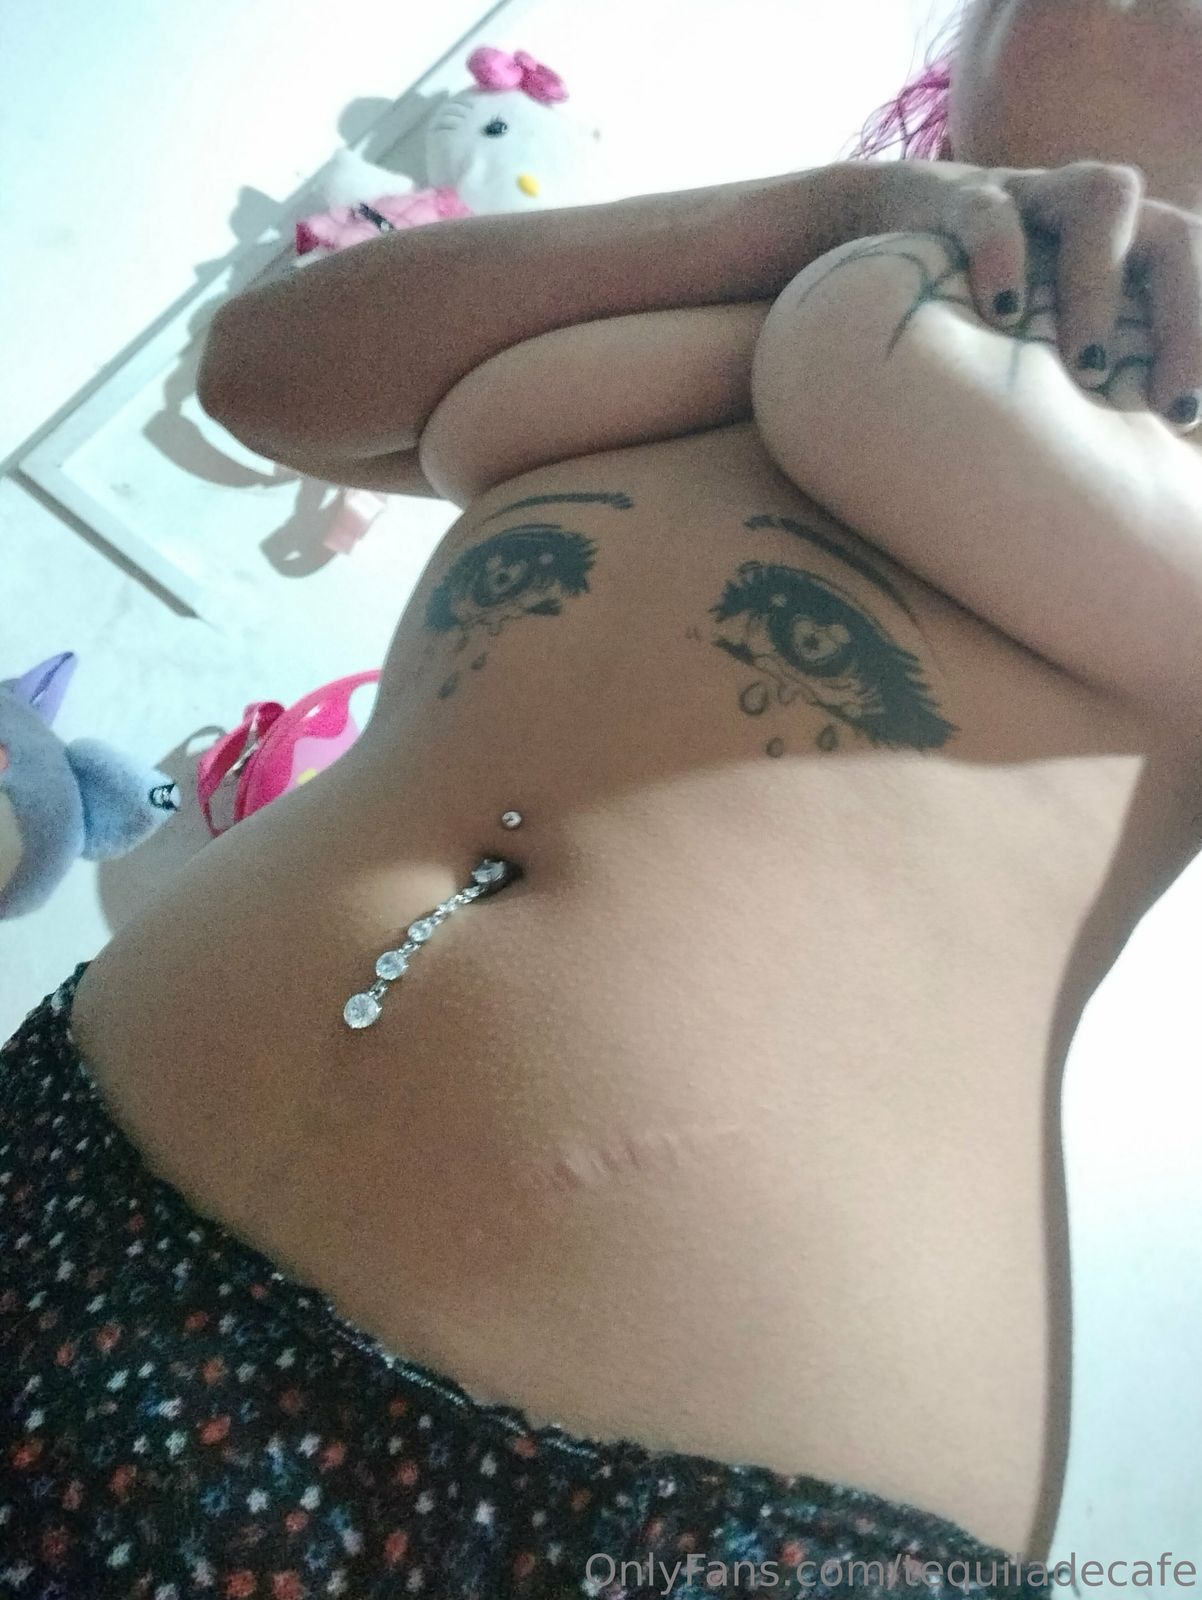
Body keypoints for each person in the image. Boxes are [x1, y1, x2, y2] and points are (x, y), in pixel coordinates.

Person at [4, 1, 1202, 1593]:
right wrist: (834, 214)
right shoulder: (790, 245)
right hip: (70, 1181)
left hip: (640, 1511)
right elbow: (265, 373)